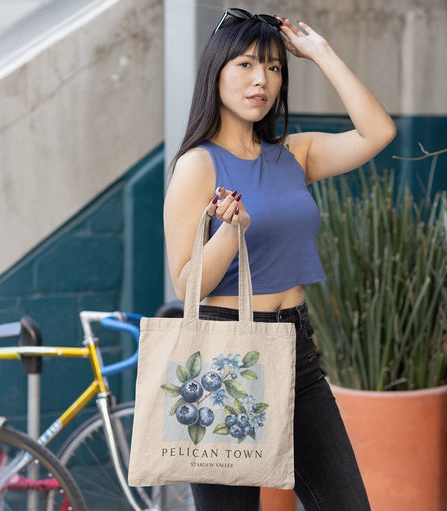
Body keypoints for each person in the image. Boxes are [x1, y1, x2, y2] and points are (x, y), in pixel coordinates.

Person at [164, 7, 396, 511]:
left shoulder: (294, 153)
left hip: (297, 351)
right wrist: (230, 234)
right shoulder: (197, 164)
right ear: (217, 71)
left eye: (272, 68)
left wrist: (319, 52)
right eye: (245, 65)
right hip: (224, 356)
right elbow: (187, 285)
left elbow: (378, 132)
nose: (261, 80)